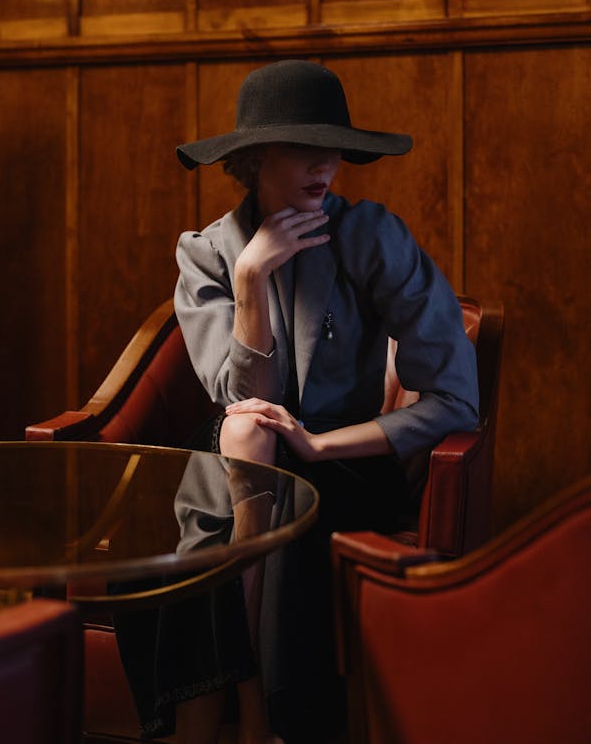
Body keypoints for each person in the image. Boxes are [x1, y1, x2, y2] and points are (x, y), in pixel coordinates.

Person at [118, 59, 479, 744]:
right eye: (303, 148)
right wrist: (252, 278)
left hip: (342, 458)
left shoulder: (371, 235)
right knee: (242, 437)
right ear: (254, 160)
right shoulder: (207, 253)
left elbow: (456, 398)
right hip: (238, 450)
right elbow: (244, 399)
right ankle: (257, 718)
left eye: (332, 148)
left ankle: (205, 723)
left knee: (235, 483)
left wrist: (321, 443)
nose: (326, 165)